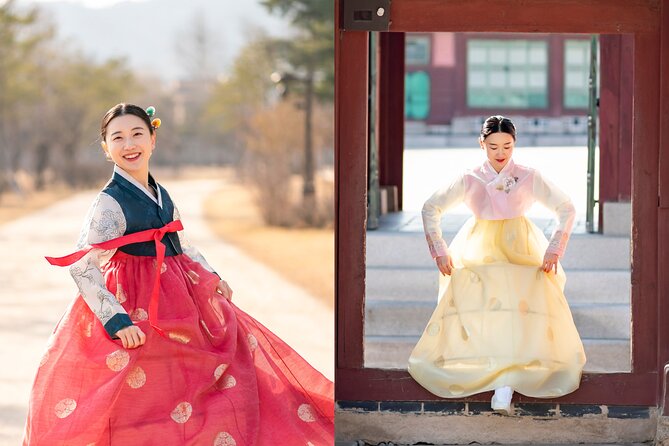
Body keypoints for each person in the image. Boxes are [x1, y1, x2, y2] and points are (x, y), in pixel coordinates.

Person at [22, 103, 334, 445]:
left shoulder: (161, 194)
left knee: (205, 386)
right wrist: (117, 319)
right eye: (118, 137)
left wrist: (212, 276)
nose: (129, 145)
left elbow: (181, 243)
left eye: (137, 134)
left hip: (182, 303)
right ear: (106, 149)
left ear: (153, 139)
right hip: (136, 309)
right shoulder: (109, 203)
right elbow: (83, 266)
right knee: (143, 402)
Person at [407, 115, 586, 415]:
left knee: (519, 314)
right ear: (482, 144)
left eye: (507, 146)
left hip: (522, 247)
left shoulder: (529, 176)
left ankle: (506, 383)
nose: (501, 153)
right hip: (479, 246)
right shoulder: (470, 177)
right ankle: (498, 377)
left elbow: (565, 207)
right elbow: (430, 207)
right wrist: (439, 249)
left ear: (515, 144)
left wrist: (555, 248)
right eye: (493, 147)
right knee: (487, 313)